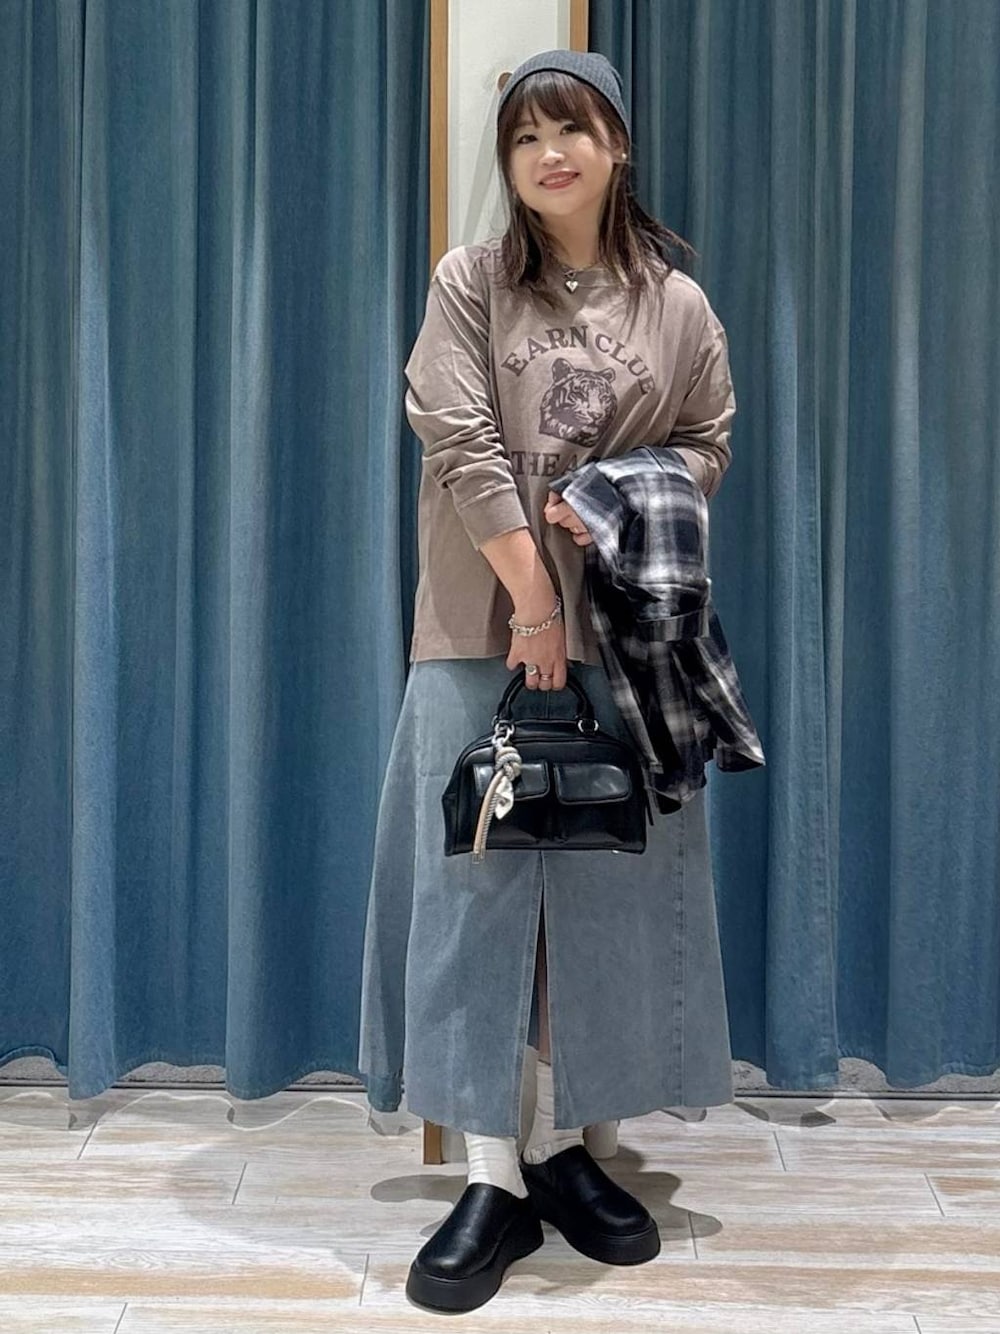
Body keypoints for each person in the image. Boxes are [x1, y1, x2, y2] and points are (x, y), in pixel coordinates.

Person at [358, 49, 737, 1314]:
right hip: (481, 624)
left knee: (604, 894)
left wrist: (620, 494)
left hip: (626, 635)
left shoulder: (676, 305)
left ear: (616, 144)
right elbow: (456, 435)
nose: (547, 155)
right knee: (474, 891)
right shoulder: (469, 282)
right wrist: (532, 597)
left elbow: (706, 439)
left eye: (570, 130)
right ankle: (491, 1173)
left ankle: (568, 1147)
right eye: (524, 138)